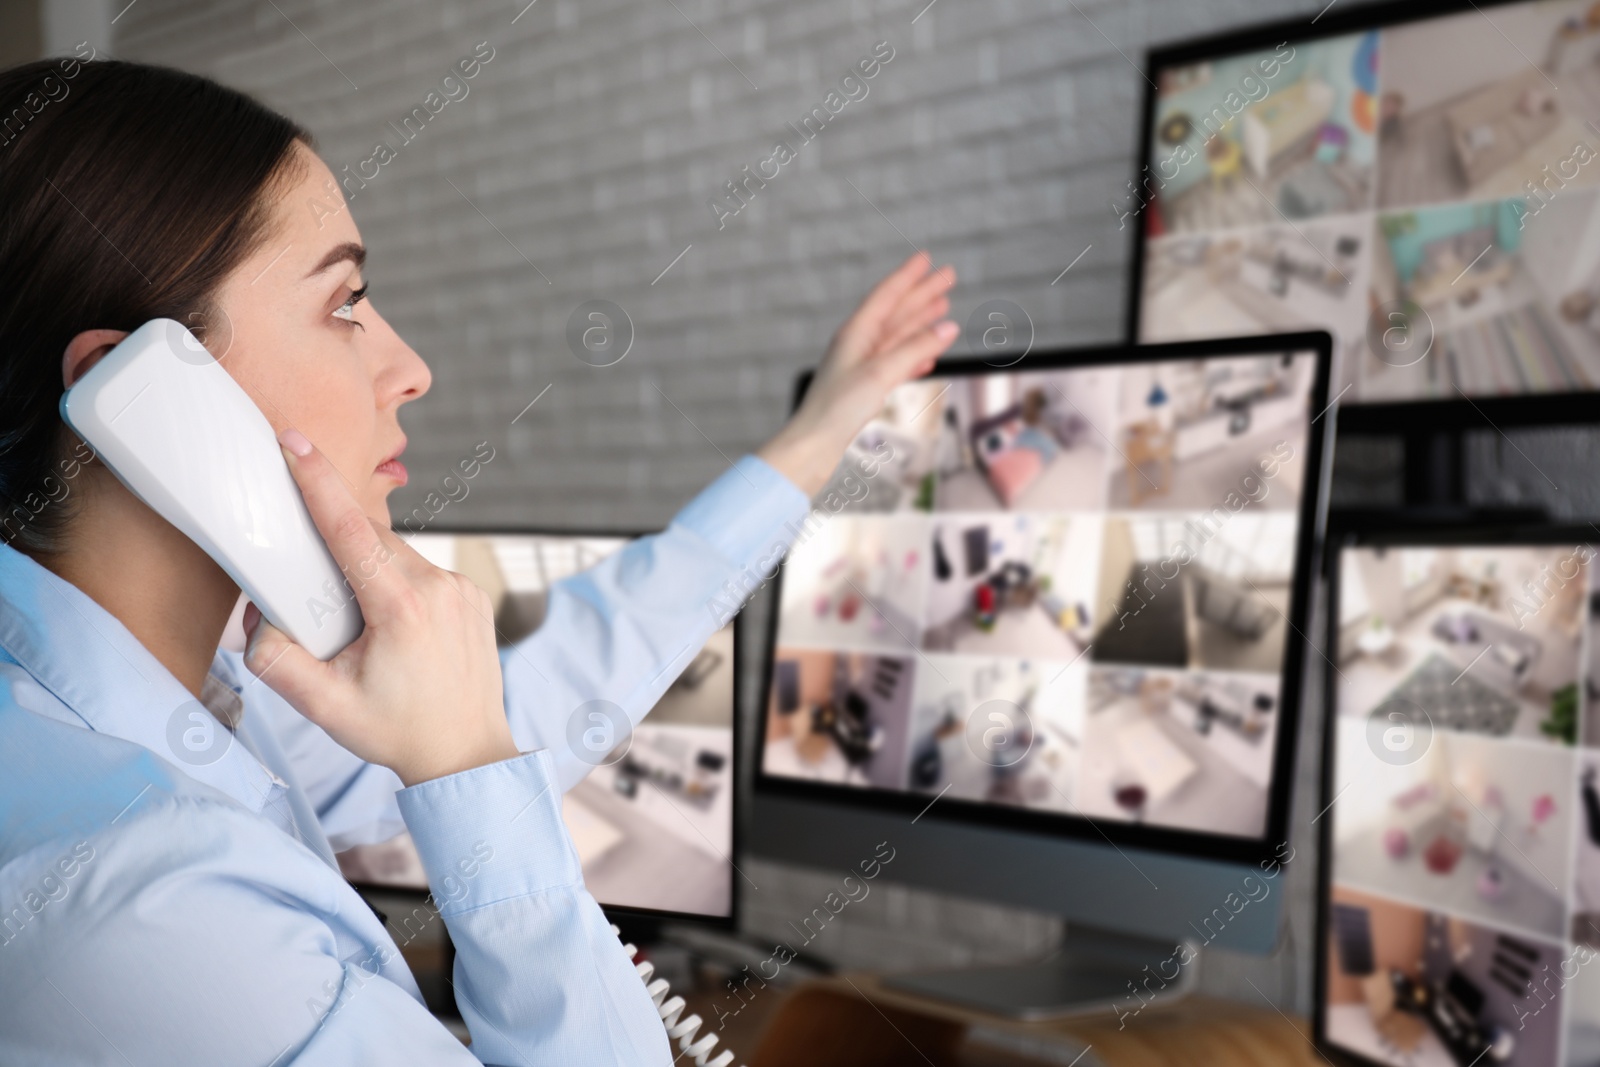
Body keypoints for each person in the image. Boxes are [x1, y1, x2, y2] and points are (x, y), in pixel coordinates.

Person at [0, 58, 958, 1065]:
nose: (410, 370)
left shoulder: (181, 698)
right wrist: (462, 764)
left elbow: (537, 697)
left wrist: (815, 439)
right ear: (138, 395)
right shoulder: (148, 906)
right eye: (343, 304)